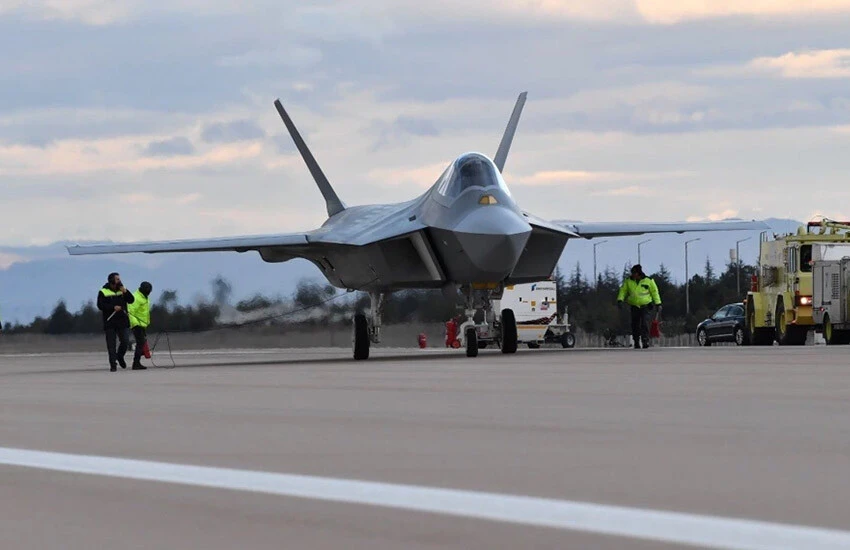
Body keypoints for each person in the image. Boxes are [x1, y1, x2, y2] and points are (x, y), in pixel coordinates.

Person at [97, 272, 135, 372]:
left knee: (125, 341)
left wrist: (125, 292)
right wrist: (112, 307)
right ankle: (113, 364)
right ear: (111, 280)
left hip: (122, 320)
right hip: (110, 321)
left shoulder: (122, 290)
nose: (119, 281)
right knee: (111, 344)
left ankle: (120, 356)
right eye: (117, 279)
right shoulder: (103, 291)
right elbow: (100, 305)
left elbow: (131, 300)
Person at [617, 264, 662, 349]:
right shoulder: (628, 281)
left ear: (638, 273)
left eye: (634, 273)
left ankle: (645, 340)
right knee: (635, 324)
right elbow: (623, 291)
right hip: (634, 306)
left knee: (645, 323)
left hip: (646, 305)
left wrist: (658, 303)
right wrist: (620, 300)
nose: (633, 275)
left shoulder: (649, 281)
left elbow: (655, 292)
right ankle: (636, 341)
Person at [128, 281, 153, 370]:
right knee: (140, 343)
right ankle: (136, 363)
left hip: (142, 324)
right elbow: (130, 312)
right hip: (136, 324)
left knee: (142, 343)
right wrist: (135, 324)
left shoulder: (145, 297)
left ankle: (138, 359)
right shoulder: (136, 297)